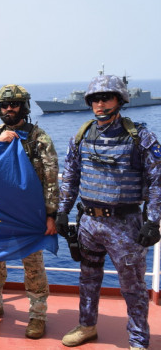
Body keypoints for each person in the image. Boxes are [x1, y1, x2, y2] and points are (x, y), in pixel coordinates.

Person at [56, 75, 160, 349]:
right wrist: (63, 211)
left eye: (106, 98)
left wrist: (153, 221)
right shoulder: (81, 136)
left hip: (125, 224)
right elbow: (70, 178)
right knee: (88, 279)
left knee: (133, 286)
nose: (100, 104)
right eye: (95, 99)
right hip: (89, 223)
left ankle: (138, 339)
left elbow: (157, 182)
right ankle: (87, 326)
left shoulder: (141, 138)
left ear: (119, 100)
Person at [0, 84, 59, 339]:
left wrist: (51, 215)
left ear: (24, 106)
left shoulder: (39, 139)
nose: (9, 109)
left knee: (33, 265)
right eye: (4, 105)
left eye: (14, 104)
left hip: (29, 214)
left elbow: (51, 179)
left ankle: (38, 315)